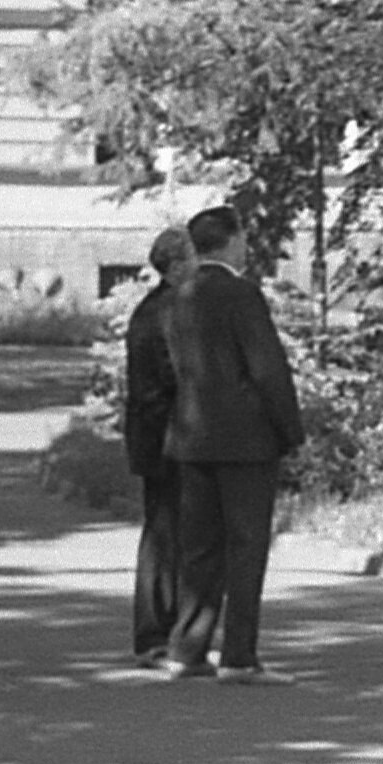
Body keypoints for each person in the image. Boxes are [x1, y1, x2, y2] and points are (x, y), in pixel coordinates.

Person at [160, 204, 305, 684]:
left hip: (192, 436)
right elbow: (267, 367)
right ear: (231, 240)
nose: (246, 246)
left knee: (199, 547)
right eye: (242, 237)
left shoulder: (179, 295)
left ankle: (187, 648)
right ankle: (239, 655)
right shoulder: (242, 295)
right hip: (245, 440)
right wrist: (291, 430)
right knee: (246, 546)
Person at [120, 226, 194, 664]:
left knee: (166, 533)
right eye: (194, 258)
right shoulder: (168, 311)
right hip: (165, 435)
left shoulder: (154, 307)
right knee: (166, 535)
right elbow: (176, 374)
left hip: (155, 433)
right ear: (178, 264)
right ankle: (156, 634)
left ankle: (165, 630)